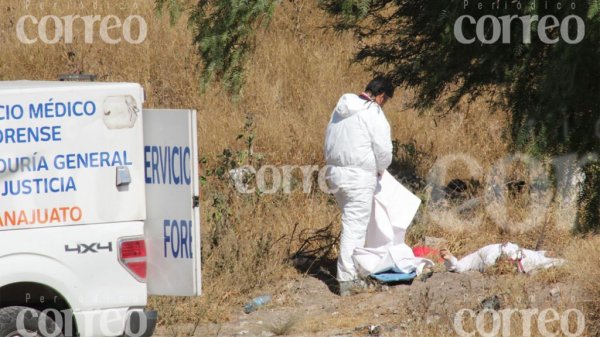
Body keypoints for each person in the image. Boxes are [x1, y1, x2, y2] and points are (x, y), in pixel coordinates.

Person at [324, 77, 394, 296]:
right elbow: (383, 152)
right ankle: (348, 281)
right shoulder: (373, 113)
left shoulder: (340, 108)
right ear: (381, 96)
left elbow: (328, 140)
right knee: (354, 228)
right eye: (386, 100)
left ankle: (353, 271)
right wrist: (381, 169)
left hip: (334, 175)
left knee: (350, 223)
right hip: (358, 178)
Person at [440, 242, 565, 274]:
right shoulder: (537, 255)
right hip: (489, 254)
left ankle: (449, 258)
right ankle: (449, 258)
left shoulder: (536, 258)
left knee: (459, 267)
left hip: (493, 255)